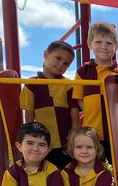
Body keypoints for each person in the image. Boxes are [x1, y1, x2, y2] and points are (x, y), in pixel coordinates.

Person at [72, 22, 118, 166]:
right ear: (89, 43)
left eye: (109, 43)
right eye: (98, 42)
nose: (104, 46)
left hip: (116, 130)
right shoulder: (83, 71)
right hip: (93, 130)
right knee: (94, 165)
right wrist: (92, 111)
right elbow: (79, 99)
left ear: (116, 46)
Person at [20, 40, 79, 169]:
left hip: (65, 140)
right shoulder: (31, 84)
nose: (60, 65)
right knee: (44, 173)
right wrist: (29, 135)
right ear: (46, 54)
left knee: (67, 173)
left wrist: (73, 133)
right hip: (43, 142)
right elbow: (29, 113)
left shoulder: (68, 85)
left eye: (66, 64)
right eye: (58, 58)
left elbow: (74, 110)